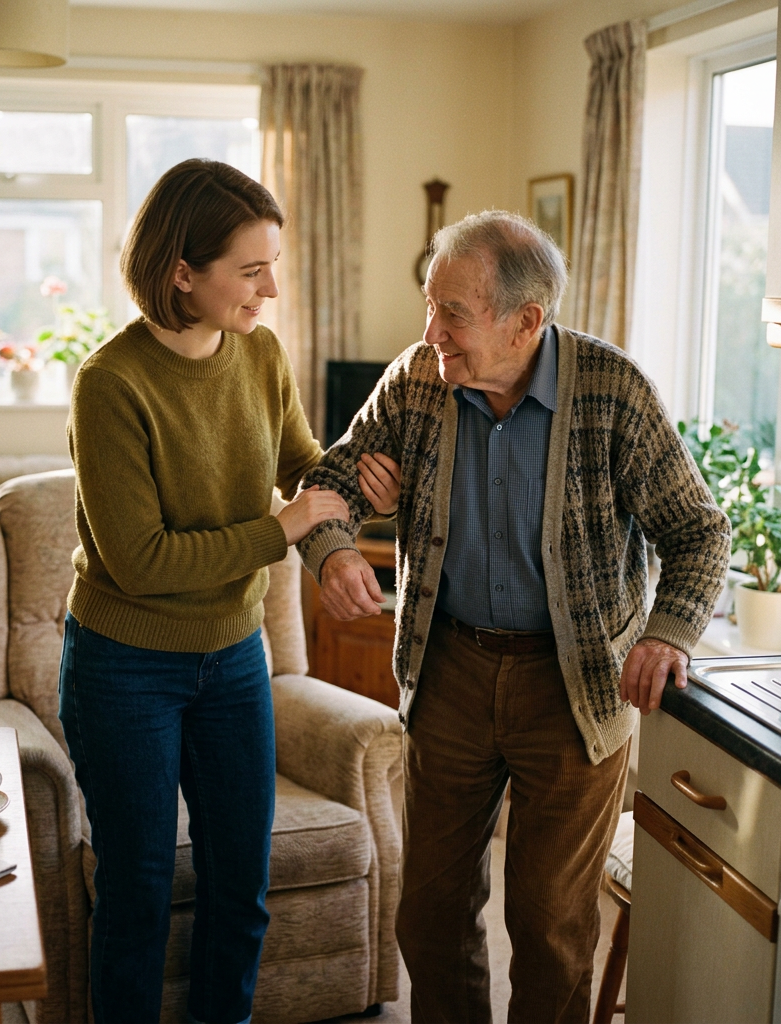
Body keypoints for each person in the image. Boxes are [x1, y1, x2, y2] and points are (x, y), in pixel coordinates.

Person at [297, 210, 731, 1023]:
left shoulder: (613, 391)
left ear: (526, 321)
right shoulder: (419, 380)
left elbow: (699, 532)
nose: (432, 331)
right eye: (431, 306)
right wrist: (336, 551)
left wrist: (668, 632)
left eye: (452, 312)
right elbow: (335, 477)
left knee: (550, 927)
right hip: (450, 671)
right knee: (428, 917)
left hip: (575, 687)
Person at [57, 159, 398, 1024]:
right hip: (124, 666)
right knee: (136, 892)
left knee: (240, 887)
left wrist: (350, 501)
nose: (272, 289)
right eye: (252, 271)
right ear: (182, 271)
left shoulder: (260, 353)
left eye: (272, 265)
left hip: (234, 659)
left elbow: (303, 468)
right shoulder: (110, 384)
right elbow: (141, 561)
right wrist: (282, 531)